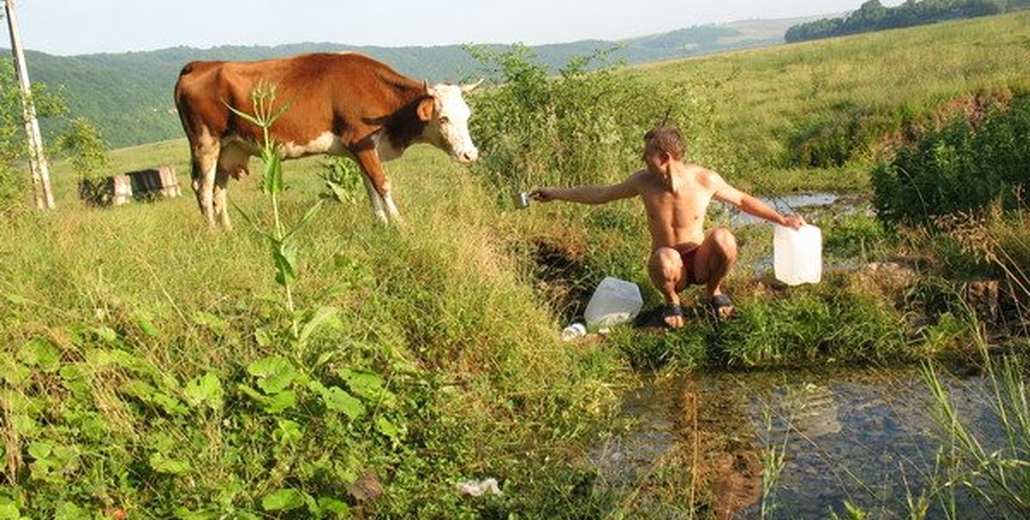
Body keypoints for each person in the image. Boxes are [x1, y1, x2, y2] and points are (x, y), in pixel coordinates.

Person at [531, 125, 805, 329]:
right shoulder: (642, 182)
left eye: (646, 153)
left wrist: (783, 220)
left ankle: (714, 292)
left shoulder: (704, 179)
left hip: (700, 262)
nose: (642, 158)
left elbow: (743, 200)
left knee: (723, 237)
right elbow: (600, 194)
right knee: (665, 255)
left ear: (663, 157)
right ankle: (672, 301)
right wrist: (555, 193)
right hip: (669, 269)